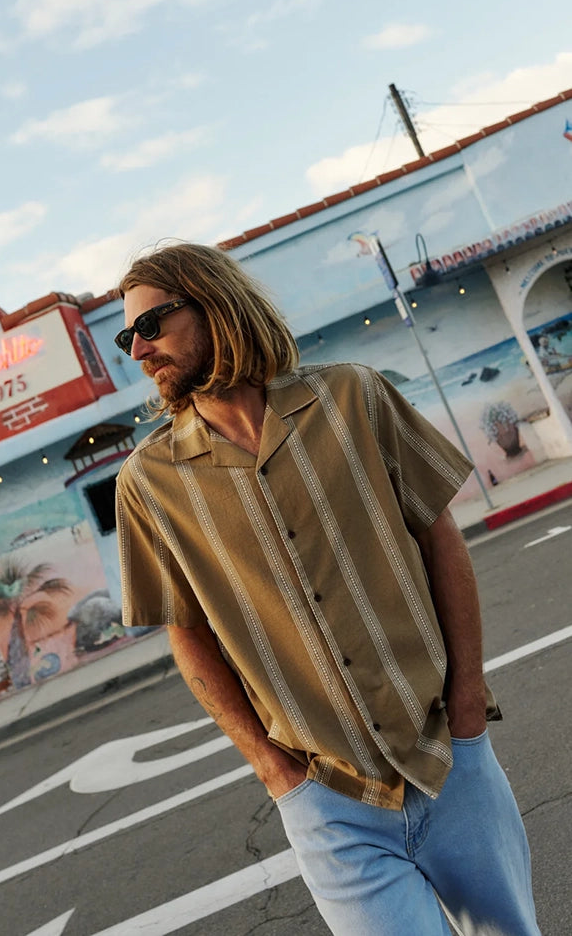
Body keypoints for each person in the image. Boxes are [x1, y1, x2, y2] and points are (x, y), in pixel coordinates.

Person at [114, 242, 540, 936]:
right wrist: (275, 774)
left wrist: (466, 701)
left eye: (150, 325)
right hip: (329, 802)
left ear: (214, 304)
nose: (137, 349)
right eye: (125, 336)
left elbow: (440, 541)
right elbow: (187, 640)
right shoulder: (149, 483)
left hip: (446, 755)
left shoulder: (354, 396)